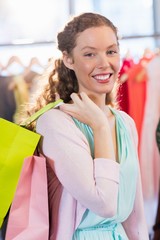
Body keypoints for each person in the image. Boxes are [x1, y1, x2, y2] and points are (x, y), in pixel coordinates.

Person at [21, 12, 149, 240]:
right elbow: (105, 204)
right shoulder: (55, 123)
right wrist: (99, 127)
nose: (104, 63)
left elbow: (135, 217)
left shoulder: (125, 124)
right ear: (68, 59)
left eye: (111, 51)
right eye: (90, 54)